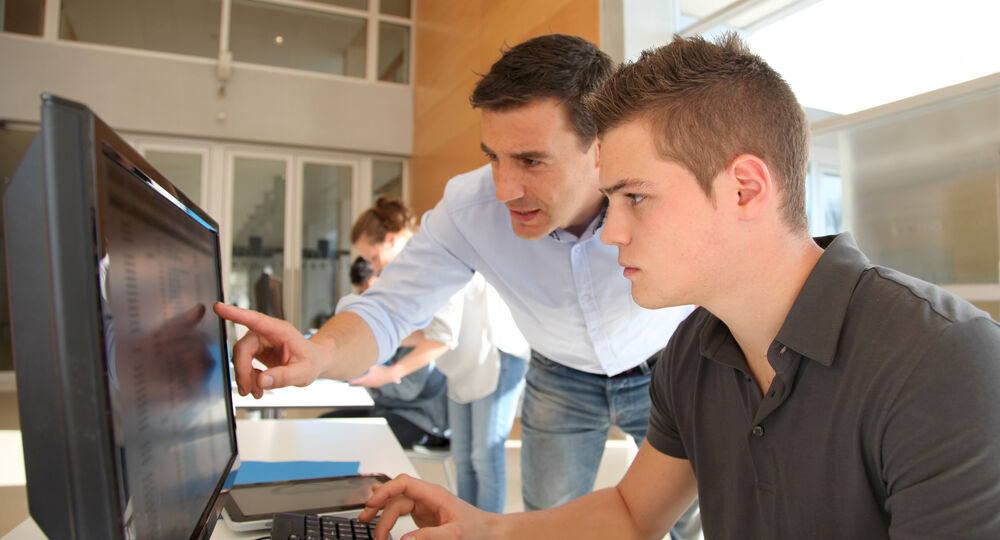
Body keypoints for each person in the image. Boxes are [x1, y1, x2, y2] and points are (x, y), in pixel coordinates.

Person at [358, 32, 1000, 539]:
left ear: (745, 188)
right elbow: (633, 517)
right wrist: (486, 530)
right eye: (613, 200)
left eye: (637, 197)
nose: (611, 235)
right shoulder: (695, 351)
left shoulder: (946, 360)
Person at [213, 34, 697, 534]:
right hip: (561, 375)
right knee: (548, 519)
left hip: (670, 363)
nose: (505, 190)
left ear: (600, 147)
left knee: (685, 521)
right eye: (494, 157)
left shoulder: (658, 193)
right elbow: (388, 309)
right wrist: (318, 352)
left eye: (531, 160)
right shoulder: (470, 209)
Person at [348, 196, 531, 512]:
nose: (373, 267)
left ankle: (484, 534)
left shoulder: (431, 255)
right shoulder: (412, 266)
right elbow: (430, 328)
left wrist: (391, 372)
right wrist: (375, 342)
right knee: (463, 457)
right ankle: (466, 527)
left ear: (391, 239)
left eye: (374, 257)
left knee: (484, 457)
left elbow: (442, 337)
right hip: (465, 361)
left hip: (495, 355)